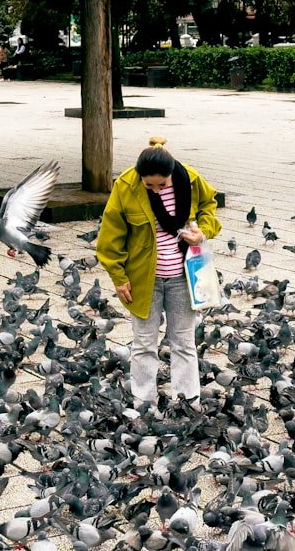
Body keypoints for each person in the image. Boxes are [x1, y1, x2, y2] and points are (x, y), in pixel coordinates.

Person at [96, 139, 222, 411]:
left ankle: (188, 401)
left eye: (161, 185)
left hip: (184, 276)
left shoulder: (190, 179)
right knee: (143, 343)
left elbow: (209, 206)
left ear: (171, 174)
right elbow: (109, 236)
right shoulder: (126, 186)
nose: (155, 189)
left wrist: (204, 231)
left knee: (184, 342)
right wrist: (118, 277)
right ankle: (143, 403)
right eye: (148, 185)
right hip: (144, 279)